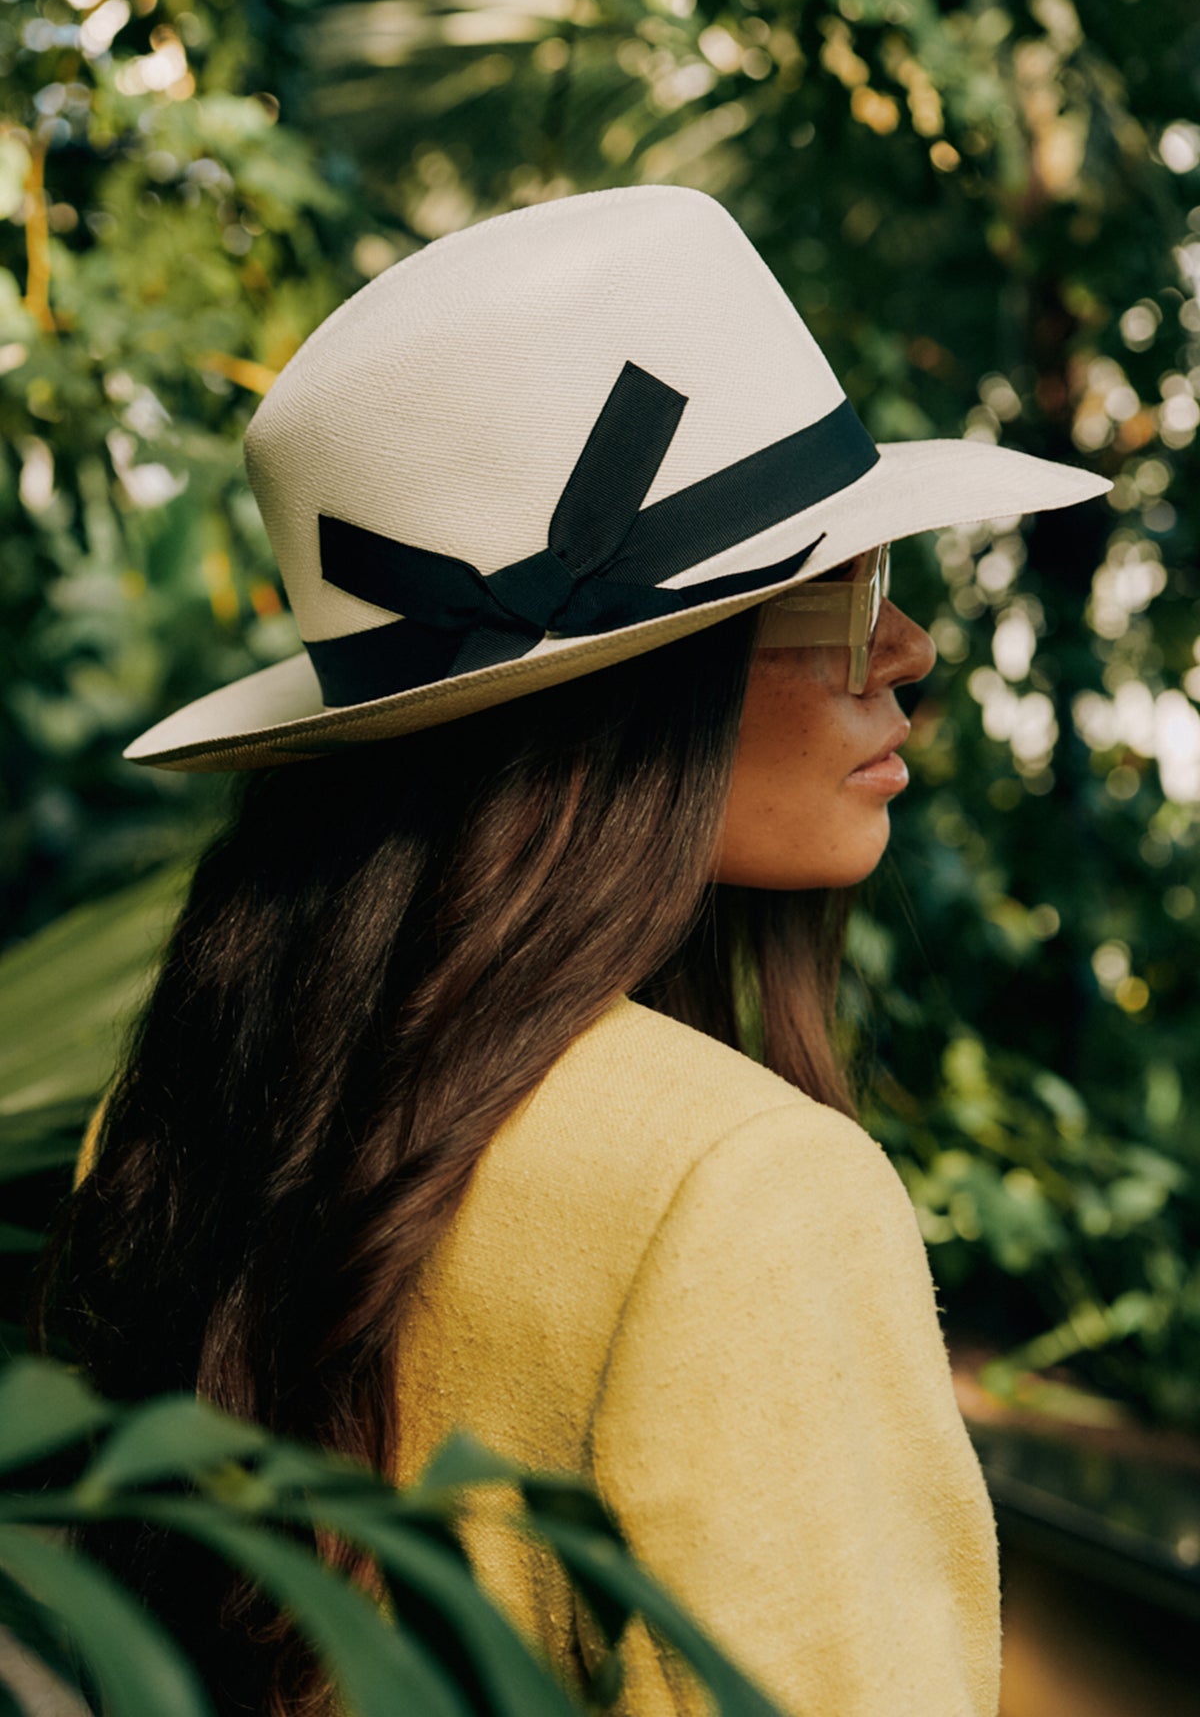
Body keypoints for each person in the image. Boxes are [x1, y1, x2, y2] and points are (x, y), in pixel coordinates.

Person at [46, 186, 1111, 1716]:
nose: (910, 649)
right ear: (636, 686)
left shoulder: (177, 1122)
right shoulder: (743, 1192)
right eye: (844, 586)